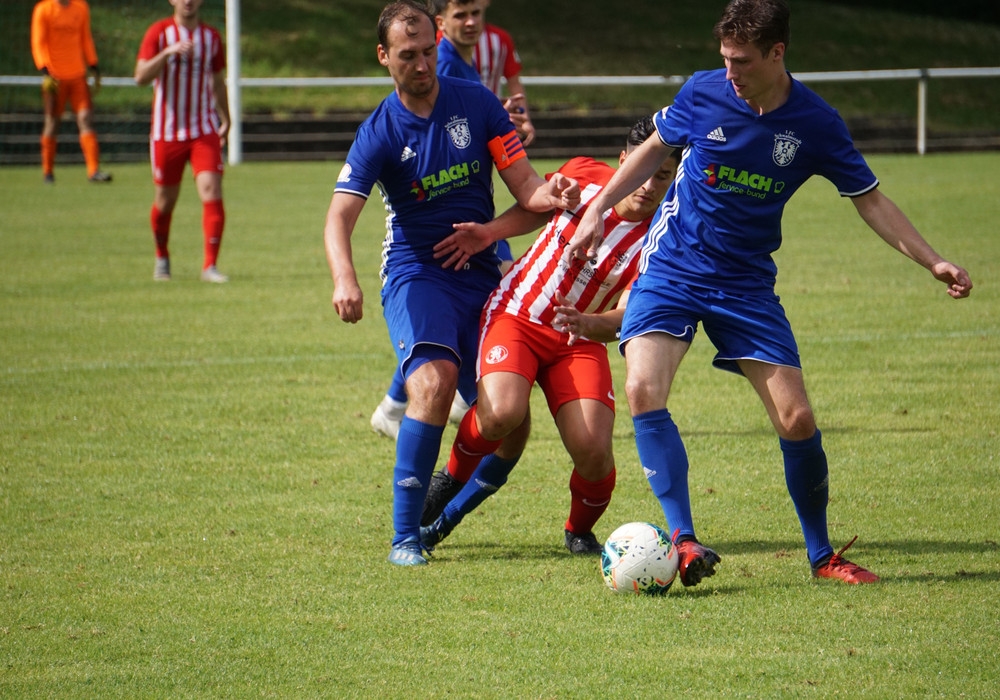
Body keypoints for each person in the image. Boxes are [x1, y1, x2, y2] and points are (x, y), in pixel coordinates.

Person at [564, 0, 973, 586]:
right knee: (642, 388)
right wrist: (598, 209)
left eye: (743, 61)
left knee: (797, 417)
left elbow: (870, 199)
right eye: (725, 58)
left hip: (746, 281)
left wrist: (932, 260)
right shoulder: (704, 92)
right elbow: (655, 145)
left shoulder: (816, 123)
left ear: (778, 53)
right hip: (674, 266)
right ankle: (683, 541)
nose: (730, 72)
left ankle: (822, 556)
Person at [323, 0, 579, 566]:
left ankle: (445, 517)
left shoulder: (477, 103)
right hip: (417, 274)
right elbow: (339, 216)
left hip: (482, 275)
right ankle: (403, 538)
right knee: (434, 384)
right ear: (384, 57)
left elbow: (528, 191)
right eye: (406, 55)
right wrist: (346, 278)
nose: (420, 64)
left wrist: (550, 197)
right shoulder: (379, 132)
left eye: (427, 52)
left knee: (509, 423)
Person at [417, 116, 680, 555]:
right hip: (517, 314)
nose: (650, 184)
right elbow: (536, 207)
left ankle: (578, 530)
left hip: (580, 338)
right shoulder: (585, 173)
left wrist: (591, 324)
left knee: (595, 453)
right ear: (623, 160)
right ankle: (449, 479)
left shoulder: (667, 236)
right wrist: (489, 234)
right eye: (644, 169)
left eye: (664, 176)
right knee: (502, 412)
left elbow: (635, 310)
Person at [367, 0, 530, 440]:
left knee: (448, 324)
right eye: (461, 15)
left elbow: (497, 116)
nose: (472, 22)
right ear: (440, 25)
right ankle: (422, 400)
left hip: (475, 217)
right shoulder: (440, 72)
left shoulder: (494, 47)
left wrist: (510, 130)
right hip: (442, 230)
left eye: (478, 12)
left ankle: (397, 403)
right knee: (451, 315)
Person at [134, 0, 231, 284]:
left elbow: (217, 80)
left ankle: (210, 266)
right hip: (167, 133)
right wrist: (167, 53)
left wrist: (226, 117)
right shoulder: (159, 33)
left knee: (212, 189)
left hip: (203, 130)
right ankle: (162, 257)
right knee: (165, 201)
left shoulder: (211, 37)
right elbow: (140, 76)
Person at [30, 0, 112, 184]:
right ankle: (48, 172)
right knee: (52, 122)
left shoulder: (81, 8)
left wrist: (93, 64)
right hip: (54, 77)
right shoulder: (43, 10)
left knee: (86, 119)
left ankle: (93, 171)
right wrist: (44, 69)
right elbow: (38, 41)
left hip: (77, 75)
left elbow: (85, 37)